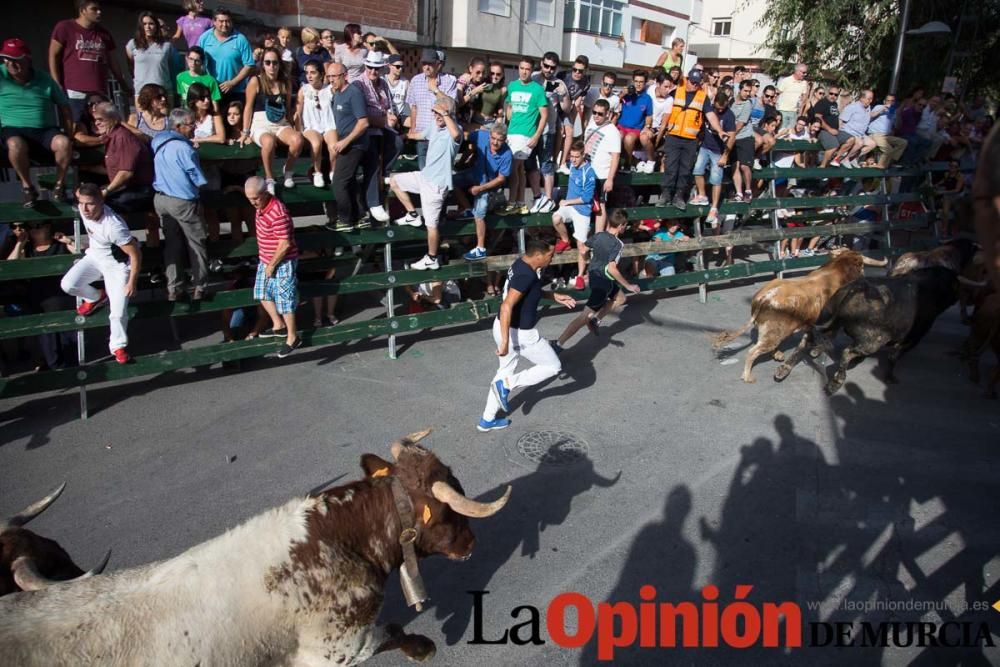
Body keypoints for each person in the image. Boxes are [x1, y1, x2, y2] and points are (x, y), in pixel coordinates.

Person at [479, 237, 576, 432]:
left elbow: (529, 292)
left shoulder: (522, 264)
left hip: (502, 326)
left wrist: (553, 296)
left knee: (504, 370)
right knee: (553, 365)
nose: (553, 258)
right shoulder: (527, 275)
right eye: (550, 255)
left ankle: (487, 419)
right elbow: (507, 305)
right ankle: (507, 386)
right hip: (520, 334)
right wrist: (506, 342)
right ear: (538, 255)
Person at [60, 183, 141, 365]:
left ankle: (118, 346)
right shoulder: (83, 208)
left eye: (90, 204)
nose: (85, 209)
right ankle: (95, 296)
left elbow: (135, 254)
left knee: (118, 312)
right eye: (81, 203)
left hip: (117, 266)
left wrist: (132, 283)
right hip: (95, 256)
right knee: (68, 285)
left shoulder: (113, 226)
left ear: (101, 202)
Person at [388, 94, 462, 271]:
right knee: (395, 180)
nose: (435, 116)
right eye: (434, 112)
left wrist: (445, 114)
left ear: (448, 114)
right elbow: (418, 135)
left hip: (437, 186)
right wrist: (401, 134)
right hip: (424, 177)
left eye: (439, 113)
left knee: (431, 226)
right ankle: (412, 214)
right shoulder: (434, 126)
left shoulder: (454, 130)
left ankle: (432, 258)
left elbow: (457, 135)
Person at [552, 209, 640, 353]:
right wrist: (628, 285)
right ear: (621, 225)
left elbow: (583, 249)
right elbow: (612, 268)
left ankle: (595, 320)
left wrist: (591, 263)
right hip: (603, 283)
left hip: (595, 276)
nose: (626, 227)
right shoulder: (618, 244)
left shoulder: (599, 235)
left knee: (621, 298)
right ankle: (558, 344)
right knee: (583, 317)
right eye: (626, 225)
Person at [0, 38, 73, 207]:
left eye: (15, 59)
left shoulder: (44, 79)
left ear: (27, 59)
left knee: (64, 143)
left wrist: (69, 133)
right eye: (6, 59)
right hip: (13, 129)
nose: (10, 63)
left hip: (44, 130)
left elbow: (65, 108)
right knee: (15, 144)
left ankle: (59, 185)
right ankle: (28, 187)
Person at [153, 108, 209, 301]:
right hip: (182, 201)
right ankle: (200, 285)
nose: (194, 127)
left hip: (161, 199)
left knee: (172, 245)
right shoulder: (184, 149)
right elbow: (197, 177)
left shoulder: (158, 141)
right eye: (190, 124)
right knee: (196, 243)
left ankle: (174, 287)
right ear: (178, 126)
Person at [7, 221, 78, 370]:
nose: (33, 230)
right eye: (30, 227)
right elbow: (9, 267)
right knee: (50, 349)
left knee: (70, 348)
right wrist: (20, 243)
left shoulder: (60, 244)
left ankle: (71, 375)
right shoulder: (27, 249)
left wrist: (69, 241)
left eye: (38, 226)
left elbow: (84, 255)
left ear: (48, 227)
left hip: (64, 302)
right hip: (40, 304)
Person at [244, 176, 301, 358]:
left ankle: (292, 337)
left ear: (265, 193)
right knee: (261, 292)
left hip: (282, 260)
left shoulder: (277, 212)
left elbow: (284, 244)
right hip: (266, 259)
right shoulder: (261, 205)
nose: (253, 202)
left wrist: (272, 265)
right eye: (249, 198)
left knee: (285, 298)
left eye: (256, 198)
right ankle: (279, 325)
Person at [49, 0, 130, 120]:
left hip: (99, 92)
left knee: (103, 127)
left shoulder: (104, 34)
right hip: (74, 92)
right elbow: (53, 55)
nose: (99, 12)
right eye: (94, 9)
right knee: (77, 128)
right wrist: (57, 84)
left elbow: (113, 62)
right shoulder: (65, 27)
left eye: (100, 9)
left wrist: (123, 84)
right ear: (82, 11)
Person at [240, 46, 304, 194]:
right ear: (262, 64)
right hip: (260, 124)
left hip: (280, 122)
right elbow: (248, 107)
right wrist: (245, 131)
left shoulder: (285, 82)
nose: (271, 66)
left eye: (275, 63)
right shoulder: (255, 81)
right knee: (268, 141)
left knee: (297, 139)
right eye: (267, 62)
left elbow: (288, 108)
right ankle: (269, 178)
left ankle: (287, 171)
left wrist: (294, 127)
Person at [455, 124, 512, 262]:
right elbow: (465, 135)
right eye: (493, 138)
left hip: (489, 186)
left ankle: (480, 248)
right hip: (476, 173)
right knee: (451, 182)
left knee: (480, 213)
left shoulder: (507, 154)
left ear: (505, 140)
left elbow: (501, 179)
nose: (495, 142)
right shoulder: (482, 135)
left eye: (499, 140)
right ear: (489, 135)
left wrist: (480, 188)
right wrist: (469, 152)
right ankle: (468, 209)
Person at [324, 62, 369, 231]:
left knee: (339, 181)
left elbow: (363, 123)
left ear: (345, 76)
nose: (331, 80)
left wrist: (346, 141)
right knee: (349, 181)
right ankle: (360, 216)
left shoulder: (353, 93)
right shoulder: (337, 94)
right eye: (328, 76)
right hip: (344, 143)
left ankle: (344, 219)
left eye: (334, 76)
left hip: (354, 145)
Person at [353, 50, 397, 224]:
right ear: (366, 66)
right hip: (364, 130)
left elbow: (389, 106)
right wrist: (382, 120)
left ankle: (382, 174)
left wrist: (390, 116)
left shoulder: (384, 84)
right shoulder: (358, 84)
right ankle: (373, 202)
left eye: (376, 68)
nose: (373, 71)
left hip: (382, 128)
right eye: (370, 67)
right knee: (372, 156)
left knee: (398, 143)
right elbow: (360, 114)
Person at [90, 101, 155, 213]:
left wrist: (106, 191)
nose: (97, 123)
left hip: (139, 190)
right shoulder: (111, 137)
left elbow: (126, 172)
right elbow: (113, 168)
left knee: (98, 205)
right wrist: (85, 169)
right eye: (95, 120)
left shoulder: (123, 138)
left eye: (101, 120)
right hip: (126, 188)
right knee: (88, 198)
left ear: (114, 119)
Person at [503, 57, 548, 215]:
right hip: (511, 133)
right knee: (519, 169)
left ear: (532, 71)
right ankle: (520, 202)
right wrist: (508, 115)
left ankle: (511, 201)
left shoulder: (537, 89)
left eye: (527, 69)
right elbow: (509, 105)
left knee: (514, 167)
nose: (524, 71)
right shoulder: (512, 85)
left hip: (526, 135)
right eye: (521, 68)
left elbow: (544, 115)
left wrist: (536, 136)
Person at [659, 69, 707, 210]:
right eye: (692, 81)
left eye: (697, 83)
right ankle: (666, 195)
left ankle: (679, 196)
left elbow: (709, 115)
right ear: (687, 79)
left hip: (691, 139)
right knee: (671, 167)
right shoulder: (676, 92)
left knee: (685, 169)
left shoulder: (703, 97)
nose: (694, 85)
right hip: (673, 136)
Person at [526, 51, 568, 214]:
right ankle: (538, 198)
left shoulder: (559, 83)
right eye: (546, 66)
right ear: (541, 63)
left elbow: (566, 108)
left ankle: (549, 200)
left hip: (547, 130)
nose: (549, 70)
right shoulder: (533, 77)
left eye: (552, 67)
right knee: (530, 165)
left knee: (547, 165)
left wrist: (562, 94)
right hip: (529, 129)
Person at [405, 49, 458, 169]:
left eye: (430, 64)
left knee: (440, 172)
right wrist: (413, 129)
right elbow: (414, 108)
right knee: (424, 173)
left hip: (442, 135)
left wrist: (435, 90)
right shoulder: (416, 80)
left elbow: (452, 105)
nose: (427, 67)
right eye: (424, 63)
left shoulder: (449, 81)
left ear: (438, 65)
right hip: (422, 135)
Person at [551, 141, 596, 284]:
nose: (573, 159)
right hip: (569, 207)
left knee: (581, 247)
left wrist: (567, 201)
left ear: (583, 156)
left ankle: (581, 276)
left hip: (582, 210)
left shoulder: (589, 173)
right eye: (571, 156)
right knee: (556, 218)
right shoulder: (571, 166)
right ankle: (565, 240)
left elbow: (587, 198)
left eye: (577, 157)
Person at [691, 89, 736, 226]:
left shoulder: (729, 115)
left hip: (719, 150)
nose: (720, 111)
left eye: (722, 108)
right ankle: (702, 195)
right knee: (697, 170)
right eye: (718, 108)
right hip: (705, 146)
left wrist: (725, 156)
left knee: (716, 179)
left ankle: (714, 207)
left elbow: (732, 137)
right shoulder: (709, 108)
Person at [197, 7, 255, 106]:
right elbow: (196, 59)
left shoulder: (240, 39)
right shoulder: (204, 38)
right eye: (221, 21)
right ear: (214, 22)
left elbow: (249, 65)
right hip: (211, 91)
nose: (225, 24)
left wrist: (232, 82)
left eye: (227, 21)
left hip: (236, 91)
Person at [295, 59, 337, 188]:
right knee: (316, 144)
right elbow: (297, 113)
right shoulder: (304, 90)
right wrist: (298, 131)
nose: (309, 76)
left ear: (321, 74)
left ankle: (333, 172)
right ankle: (317, 172)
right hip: (311, 126)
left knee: (334, 146)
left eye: (313, 72)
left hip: (328, 124)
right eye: (307, 73)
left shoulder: (330, 89)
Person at [583, 98, 622, 238]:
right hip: (588, 172)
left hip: (602, 174)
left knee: (600, 205)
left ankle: (598, 236)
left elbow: (616, 156)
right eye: (594, 112)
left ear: (607, 114)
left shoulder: (612, 131)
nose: (596, 116)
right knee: (587, 204)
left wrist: (610, 179)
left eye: (600, 113)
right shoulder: (591, 125)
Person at [126, 12, 179, 106]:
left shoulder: (167, 46)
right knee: (143, 120)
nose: (148, 27)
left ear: (156, 26)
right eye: (144, 24)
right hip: (142, 92)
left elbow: (171, 67)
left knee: (164, 120)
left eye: (151, 24)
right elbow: (131, 66)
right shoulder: (132, 44)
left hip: (163, 92)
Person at [556, 55, 591, 174]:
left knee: (569, 132)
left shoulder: (586, 82)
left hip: (569, 110)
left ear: (585, 71)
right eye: (574, 69)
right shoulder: (562, 76)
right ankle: (554, 161)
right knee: (559, 132)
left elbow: (579, 100)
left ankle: (563, 163)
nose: (576, 73)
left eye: (580, 71)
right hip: (556, 107)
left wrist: (573, 116)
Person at [617, 69, 654, 171]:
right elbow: (614, 103)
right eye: (636, 81)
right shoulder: (627, 94)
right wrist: (622, 94)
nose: (638, 84)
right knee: (618, 136)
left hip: (635, 129)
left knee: (629, 139)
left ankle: (628, 164)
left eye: (641, 82)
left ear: (645, 83)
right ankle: (616, 163)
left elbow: (649, 116)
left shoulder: (647, 98)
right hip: (621, 126)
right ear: (633, 81)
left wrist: (647, 127)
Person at [836, 89, 877, 168]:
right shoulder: (852, 107)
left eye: (872, 99)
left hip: (861, 134)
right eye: (869, 98)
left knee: (872, 144)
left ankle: (853, 158)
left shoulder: (868, 108)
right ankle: (846, 159)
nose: (871, 101)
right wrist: (840, 134)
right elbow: (841, 120)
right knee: (860, 143)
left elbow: (871, 115)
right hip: (850, 132)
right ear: (862, 98)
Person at [813, 85, 849, 168]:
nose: (833, 96)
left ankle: (835, 159)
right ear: (827, 93)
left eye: (836, 95)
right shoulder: (822, 102)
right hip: (824, 131)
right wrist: (829, 130)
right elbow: (818, 117)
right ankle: (823, 166)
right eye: (831, 93)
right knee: (834, 145)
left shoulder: (835, 104)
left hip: (835, 131)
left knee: (851, 140)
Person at [730, 79, 754, 202]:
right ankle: (739, 193)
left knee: (745, 166)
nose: (747, 93)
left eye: (749, 91)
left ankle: (748, 190)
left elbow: (740, 124)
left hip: (744, 137)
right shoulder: (732, 102)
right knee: (735, 165)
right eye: (745, 91)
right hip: (733, 138)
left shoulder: (748, 104)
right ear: (739, 89)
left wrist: (730, 136)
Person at [176, 46, 221, 111]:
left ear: (202, 62)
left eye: (197, 61)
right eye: (191, 59)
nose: (193, 63)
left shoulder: (210, 80)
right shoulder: (180, 77)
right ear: (186, 58)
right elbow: (181, 98)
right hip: (187, 114)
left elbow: (215, 106)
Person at [775, 63, 808, 131]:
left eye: (806, 72)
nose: (805, 74)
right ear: (797, 71)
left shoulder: (804, 83)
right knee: (781, 132)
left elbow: (804, 98)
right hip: (783, 111)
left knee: (790, 133)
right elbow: (777, 94)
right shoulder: (786, 80)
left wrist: (800, 112)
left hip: (794, 113)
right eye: (804, 72)